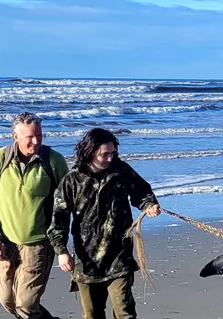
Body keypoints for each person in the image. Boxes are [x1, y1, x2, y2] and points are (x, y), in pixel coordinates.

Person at [48, 128, 161, 319]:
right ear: (91, 152)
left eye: (113, 153)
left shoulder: (121, 171)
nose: (110, 159)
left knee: (125, 312)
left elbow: (141, 192)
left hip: (119, 255)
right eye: (105, 154)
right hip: (87, 260)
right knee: (92, 313)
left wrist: (149, 204)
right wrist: (61, 252)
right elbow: (58, 219)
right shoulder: (72, 180)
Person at [0, 112, 70, 319]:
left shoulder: (53, 160)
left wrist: (62, 246)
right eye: (29, 136)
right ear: (15, 136)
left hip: (39, 243)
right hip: (6, 243)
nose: (36, 141)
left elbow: (67, 203)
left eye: (39, 135)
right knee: (8, 300)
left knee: (26, 305)